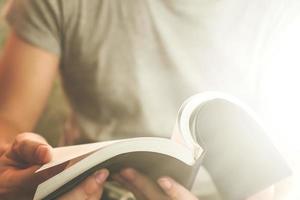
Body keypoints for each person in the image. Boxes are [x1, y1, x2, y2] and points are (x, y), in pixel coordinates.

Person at [0, 0, 293, 199]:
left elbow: (286, 167)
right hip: (91, 188)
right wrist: (15, 173)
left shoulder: (280, 10)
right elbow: (8, 121)